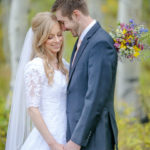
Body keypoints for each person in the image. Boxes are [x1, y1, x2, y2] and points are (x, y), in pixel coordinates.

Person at [51, 0, 118, 150]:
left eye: (63, 22)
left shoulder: (101, 43)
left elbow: (96, 98)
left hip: (93, 138)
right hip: (78, 133)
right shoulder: (83, 40)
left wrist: (76, 140)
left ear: (76, 15)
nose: (62, 28)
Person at [5, 12, 69, 150]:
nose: (57, 40)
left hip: (66, 133)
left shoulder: (64, 65)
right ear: (40, 39)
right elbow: (32, 109)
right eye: (50, 37)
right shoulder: (35, 67)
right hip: (48, 138)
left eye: (59, 34)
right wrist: (53, 144)